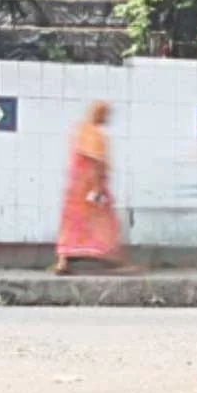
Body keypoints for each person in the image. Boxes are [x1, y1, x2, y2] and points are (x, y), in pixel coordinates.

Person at [53, 101, 139, 276]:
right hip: (91, 187)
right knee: (105, 223)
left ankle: (64, 261)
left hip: (76, 189)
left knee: (72, 223)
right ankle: (113, 259)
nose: (107, 118)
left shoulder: (81, 130)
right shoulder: (95, 134)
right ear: (99, 114)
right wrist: (98, 188)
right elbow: (96, 162)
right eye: (106, 114)